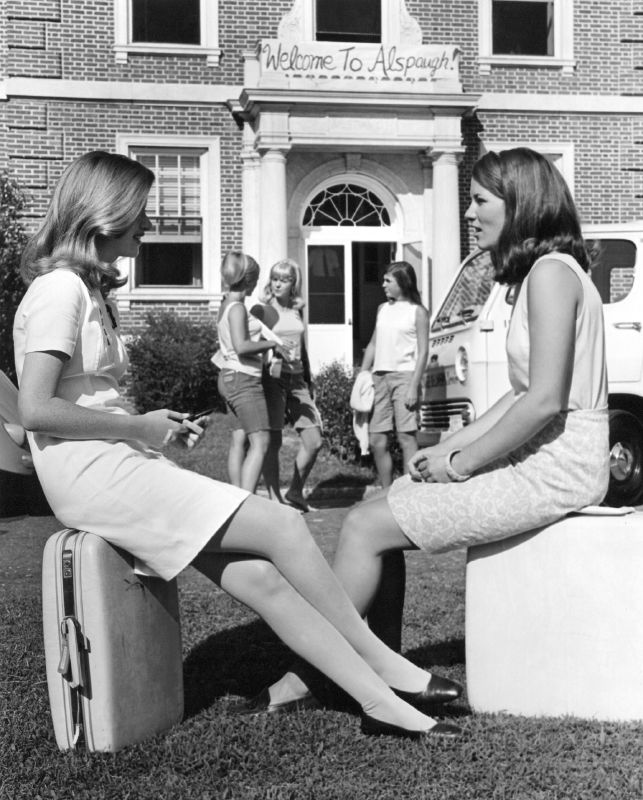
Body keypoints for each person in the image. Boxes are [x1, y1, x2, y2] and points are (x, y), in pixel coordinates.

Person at [13, 150, 461, 740]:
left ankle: (384, 707)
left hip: (115, 460)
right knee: (285, 526)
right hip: (95, 471)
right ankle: (382, 663)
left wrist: (147, 427)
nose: (151, 224)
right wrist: (140, 427)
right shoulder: (58, 288)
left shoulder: (86, 289)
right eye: (142, 213)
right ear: (104, 213)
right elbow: (35, 411)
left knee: (264, 581)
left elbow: (86, 399)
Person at [263, 146, 609, 706]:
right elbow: (520, 396)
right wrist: (448, 446)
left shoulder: (549, 275)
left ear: (519, 204)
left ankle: (311, 677)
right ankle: (382, 669)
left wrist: (461, 464)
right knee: (390, 499)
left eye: (479, 201)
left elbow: (544, 401)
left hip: (559, 468)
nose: (469, 214)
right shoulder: (548, 273)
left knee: (362, 526)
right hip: (551, 456)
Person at [215, 251, 291, 493]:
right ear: (248, 280)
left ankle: (235, 498)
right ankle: (246, 502)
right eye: (256, 278)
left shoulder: (225, 304)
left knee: (239, 438)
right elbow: (242, 346)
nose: (258, 283)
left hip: (228, 376)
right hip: (243, 379)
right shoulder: (237, 308)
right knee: (261, 441)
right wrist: (273, 344)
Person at [252, 259, 323, 512]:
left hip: (298, 378)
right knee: (274, 440)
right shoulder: (263, 310)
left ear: (294, 283)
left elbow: (302, 344)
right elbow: (252, 344)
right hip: (272, 377)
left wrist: (309, 376)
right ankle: (274, 498)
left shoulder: (297, 308)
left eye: (285, 279)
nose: (278, 283)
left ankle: (295, 490)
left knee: (313, 439)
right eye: (275, 278)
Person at [357, 262, 430, 489]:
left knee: (406, 437)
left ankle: (411, 490)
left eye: (388, 281)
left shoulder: (417, 312)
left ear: (402, 282)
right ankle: (387, 491)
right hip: (379, 378)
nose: (383, 285)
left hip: (404, 377)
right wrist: (362, 374)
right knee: (377, 440)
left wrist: (413, 386)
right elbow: (373, 343)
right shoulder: (382, 309)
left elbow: (423, 351)